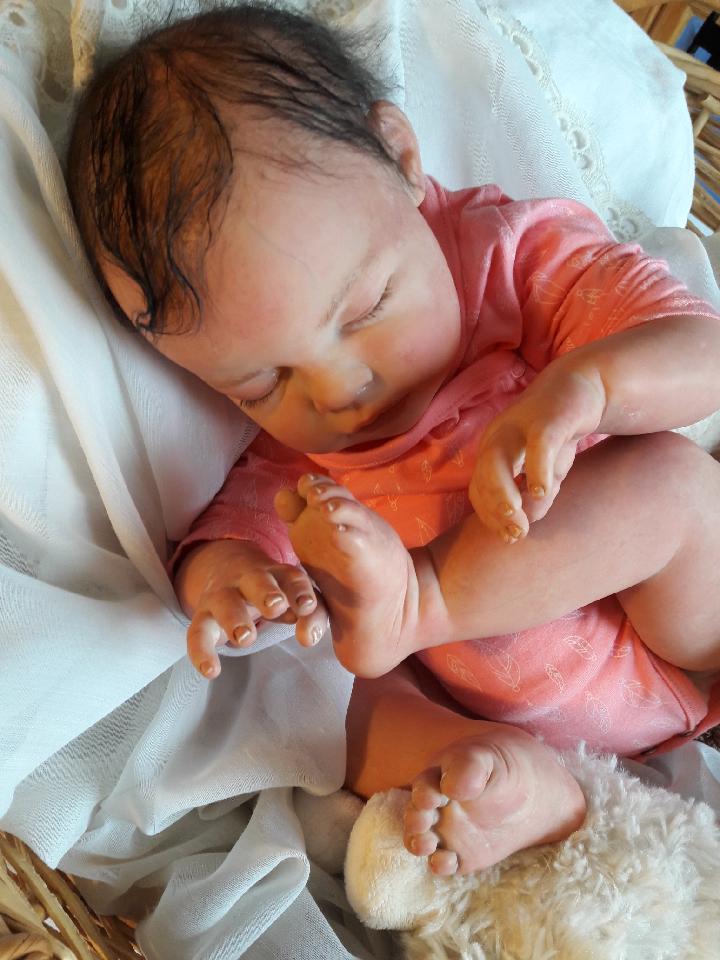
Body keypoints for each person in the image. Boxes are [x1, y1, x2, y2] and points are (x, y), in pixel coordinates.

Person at [67, 3, 720, 877]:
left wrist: (591, 385)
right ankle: (507, 784)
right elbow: (227, 534)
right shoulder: (301, 465)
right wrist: (232, 583)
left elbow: (702, 353)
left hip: (681, 639)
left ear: (404, 159)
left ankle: (429, 600)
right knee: (323, 693)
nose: (338, 390)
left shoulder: (515, 257)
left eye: (366, 308)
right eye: (262, 383)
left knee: (674, 485)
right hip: (498, 711)